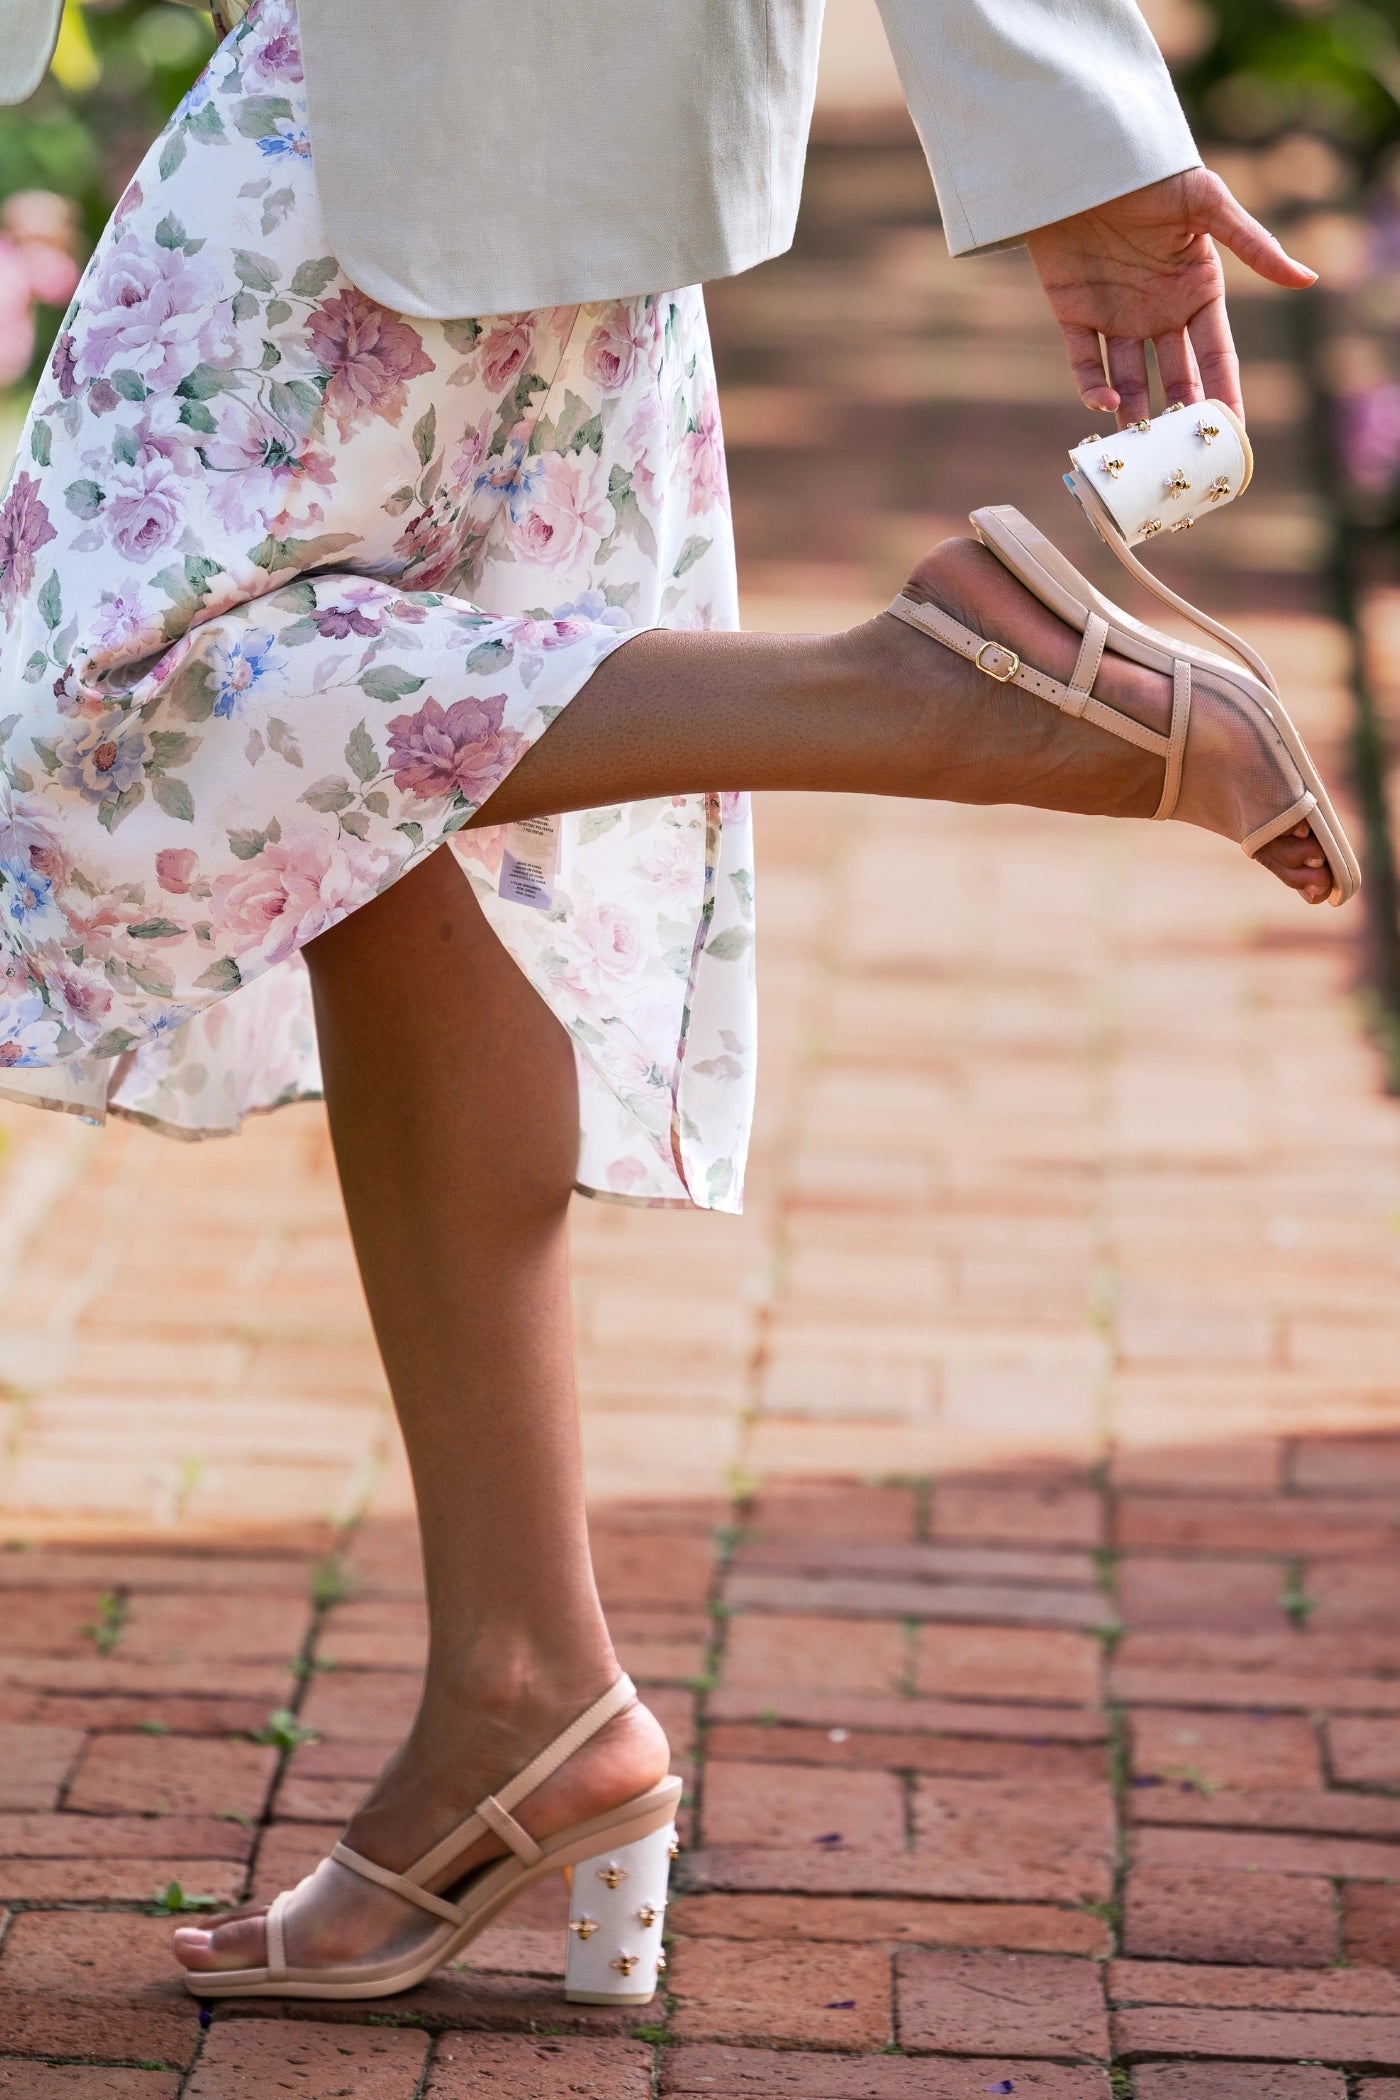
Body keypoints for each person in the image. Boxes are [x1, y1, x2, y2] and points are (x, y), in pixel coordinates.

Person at [0, 0, 1343, 1999]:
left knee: (97, 707)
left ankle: (925, 691)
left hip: (431, 64)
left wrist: (1068, 119)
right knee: (406, 823)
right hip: (518, 98)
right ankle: (520, 1691)